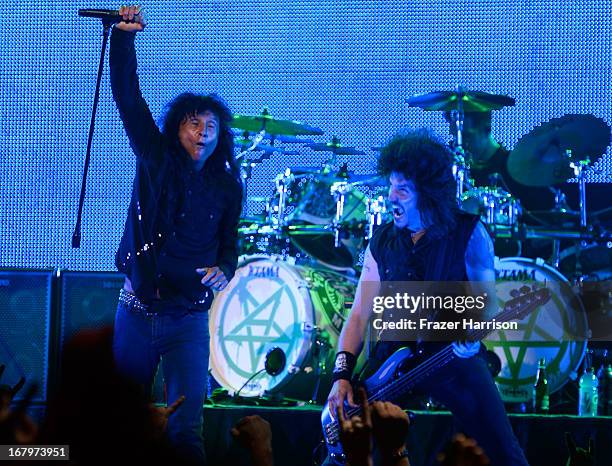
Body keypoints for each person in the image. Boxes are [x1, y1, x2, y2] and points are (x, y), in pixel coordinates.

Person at [326, 129, 529, 466]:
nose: (391, 197)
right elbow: (360, 314)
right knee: (346, 451)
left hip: (451, 357)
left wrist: (471, 328)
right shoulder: (383, 241)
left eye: (402, 190)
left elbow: (487, 302)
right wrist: (341, 376)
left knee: (506, 454)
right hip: (393, 362)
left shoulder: (470, 233)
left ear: (430, 195)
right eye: (391, 186)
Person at [109, 6, 242, 464]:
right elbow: (129, 97)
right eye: (193, 124)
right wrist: (123, 39)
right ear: (177, 128)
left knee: (187, 431)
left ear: (219, 135)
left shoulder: (227, 186)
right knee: (121, 424)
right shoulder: (155, 157)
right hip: (136, 313)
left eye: (210, 127)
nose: (202, 134)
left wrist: (225, 269)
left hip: (188, 321)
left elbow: (231, 245)